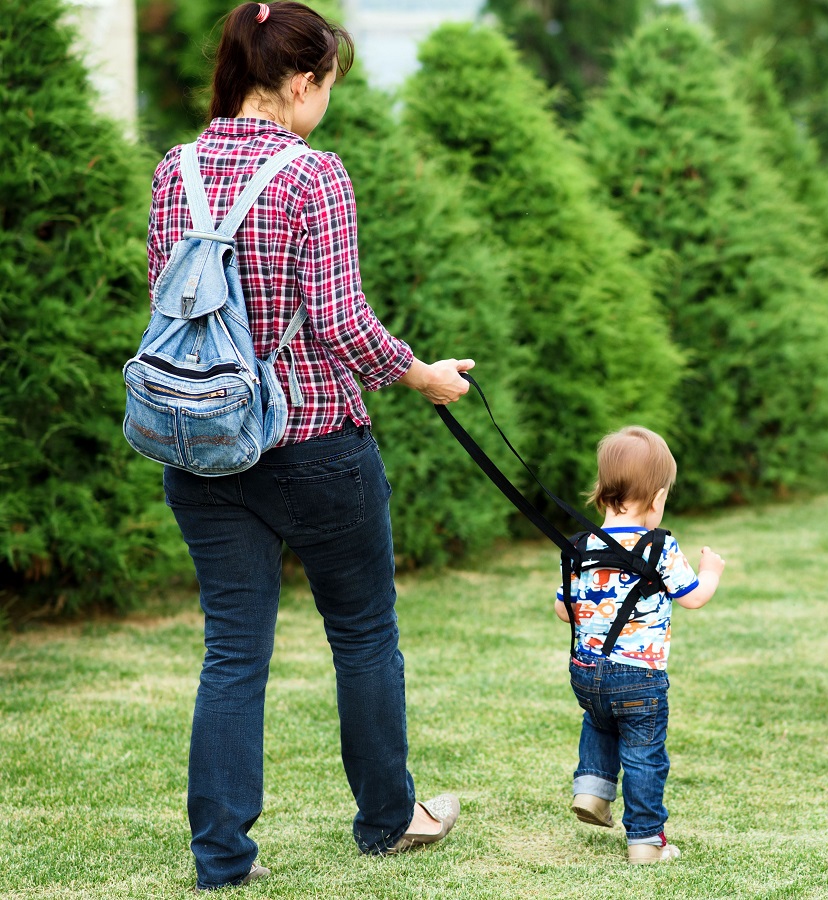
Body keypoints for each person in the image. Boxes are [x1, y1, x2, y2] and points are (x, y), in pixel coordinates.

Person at [146, 2, 469, 890]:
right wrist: (425, 375)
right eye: (326, 84)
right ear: (298, 83)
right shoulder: (313, 174)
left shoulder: (176, 171)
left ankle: (220, 860)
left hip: (202, 442)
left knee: (233, 652)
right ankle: (386, 821)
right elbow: (339, 323)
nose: (325, 101)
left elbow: (170, 303)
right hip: (316, 442)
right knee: (364, 634)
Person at [554, 426, 724, 864]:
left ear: (601, 492)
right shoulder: (659, 546)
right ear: (657, 497)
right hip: (639, 675)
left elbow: (562, 610)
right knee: (645, 754)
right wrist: (712, 571)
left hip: (585, 671)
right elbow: (694, 597)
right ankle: (646, 841)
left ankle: (592, 791)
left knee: (599, 721)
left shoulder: (580, 545)